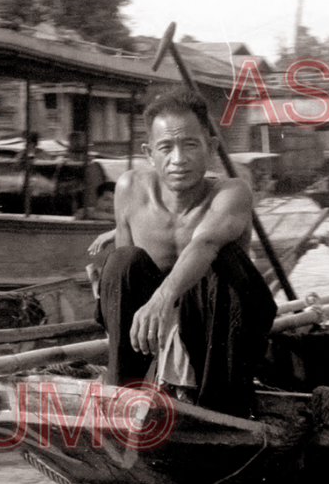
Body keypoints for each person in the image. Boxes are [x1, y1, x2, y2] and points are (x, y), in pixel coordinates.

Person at [96, 90, 277, 416]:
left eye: (190, 145)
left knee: (224, 259)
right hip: (156, 326)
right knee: (121, 261)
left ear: (210, 147)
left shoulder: (232, 192)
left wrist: (163, 300)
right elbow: (124, 289)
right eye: (166, 147)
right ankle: (124, 394)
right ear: (149, 153)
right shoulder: (130, 189)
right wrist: (157, 312)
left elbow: (205, 243)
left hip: (220, 326)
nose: (179, 159)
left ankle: (221, 408)